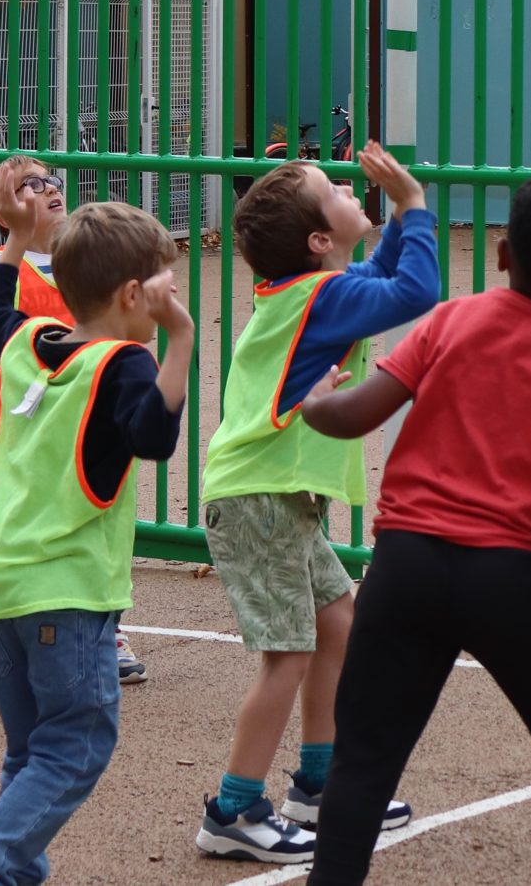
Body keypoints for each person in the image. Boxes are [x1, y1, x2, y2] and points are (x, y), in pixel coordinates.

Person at [296, 169, 531, 886]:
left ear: (502, 252)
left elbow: (358, 412)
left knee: (365, 753)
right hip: (508, 575)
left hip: (407, 564)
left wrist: (315, 402)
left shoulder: (452, 319)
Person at [195, 146, 435, 865]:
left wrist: (393, 215)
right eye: (330, 187)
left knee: (336, 623)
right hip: (257, 497)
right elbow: (414, 290)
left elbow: (381, 278)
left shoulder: (312, 293)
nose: (341, 181)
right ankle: (233, 809)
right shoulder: (321, 299)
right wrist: (414, 206)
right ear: (318, 242)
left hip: (276, 498)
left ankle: (320, 784)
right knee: (289, 652)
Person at [0, 197, 191, 886]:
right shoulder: (125, 361)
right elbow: (154, 437)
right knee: (76, 745)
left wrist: (15, 242)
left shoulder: (31, 339)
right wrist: (182, 341)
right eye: (167, 282)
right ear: (133, 293)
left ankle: (9, 874)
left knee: (30, 751)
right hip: (65, 587)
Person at [0, 156, 148, 686]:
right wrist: (23, 353)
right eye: (28, 186)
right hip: (14, 426)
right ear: (4, 212)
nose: (48, 189)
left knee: (96, 518)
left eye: (49, 180)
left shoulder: (82, 262)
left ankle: (107, 626)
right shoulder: (0, 268)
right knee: (10, 536)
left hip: (81, 419)